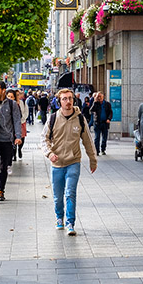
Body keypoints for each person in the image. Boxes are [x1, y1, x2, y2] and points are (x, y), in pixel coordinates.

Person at [40, 88, 97, 236]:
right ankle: (59, 217)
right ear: (59, 102)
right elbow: (43, 139)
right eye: (64, 99)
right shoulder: (52, 118)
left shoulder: (79, 118)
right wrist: (49, 154)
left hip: (74, 161)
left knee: (70, 193)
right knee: (58, 196)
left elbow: (88, 141)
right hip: (57, 163)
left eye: (70, 98)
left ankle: (70, 223)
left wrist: (93, 160)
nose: (68, 101)